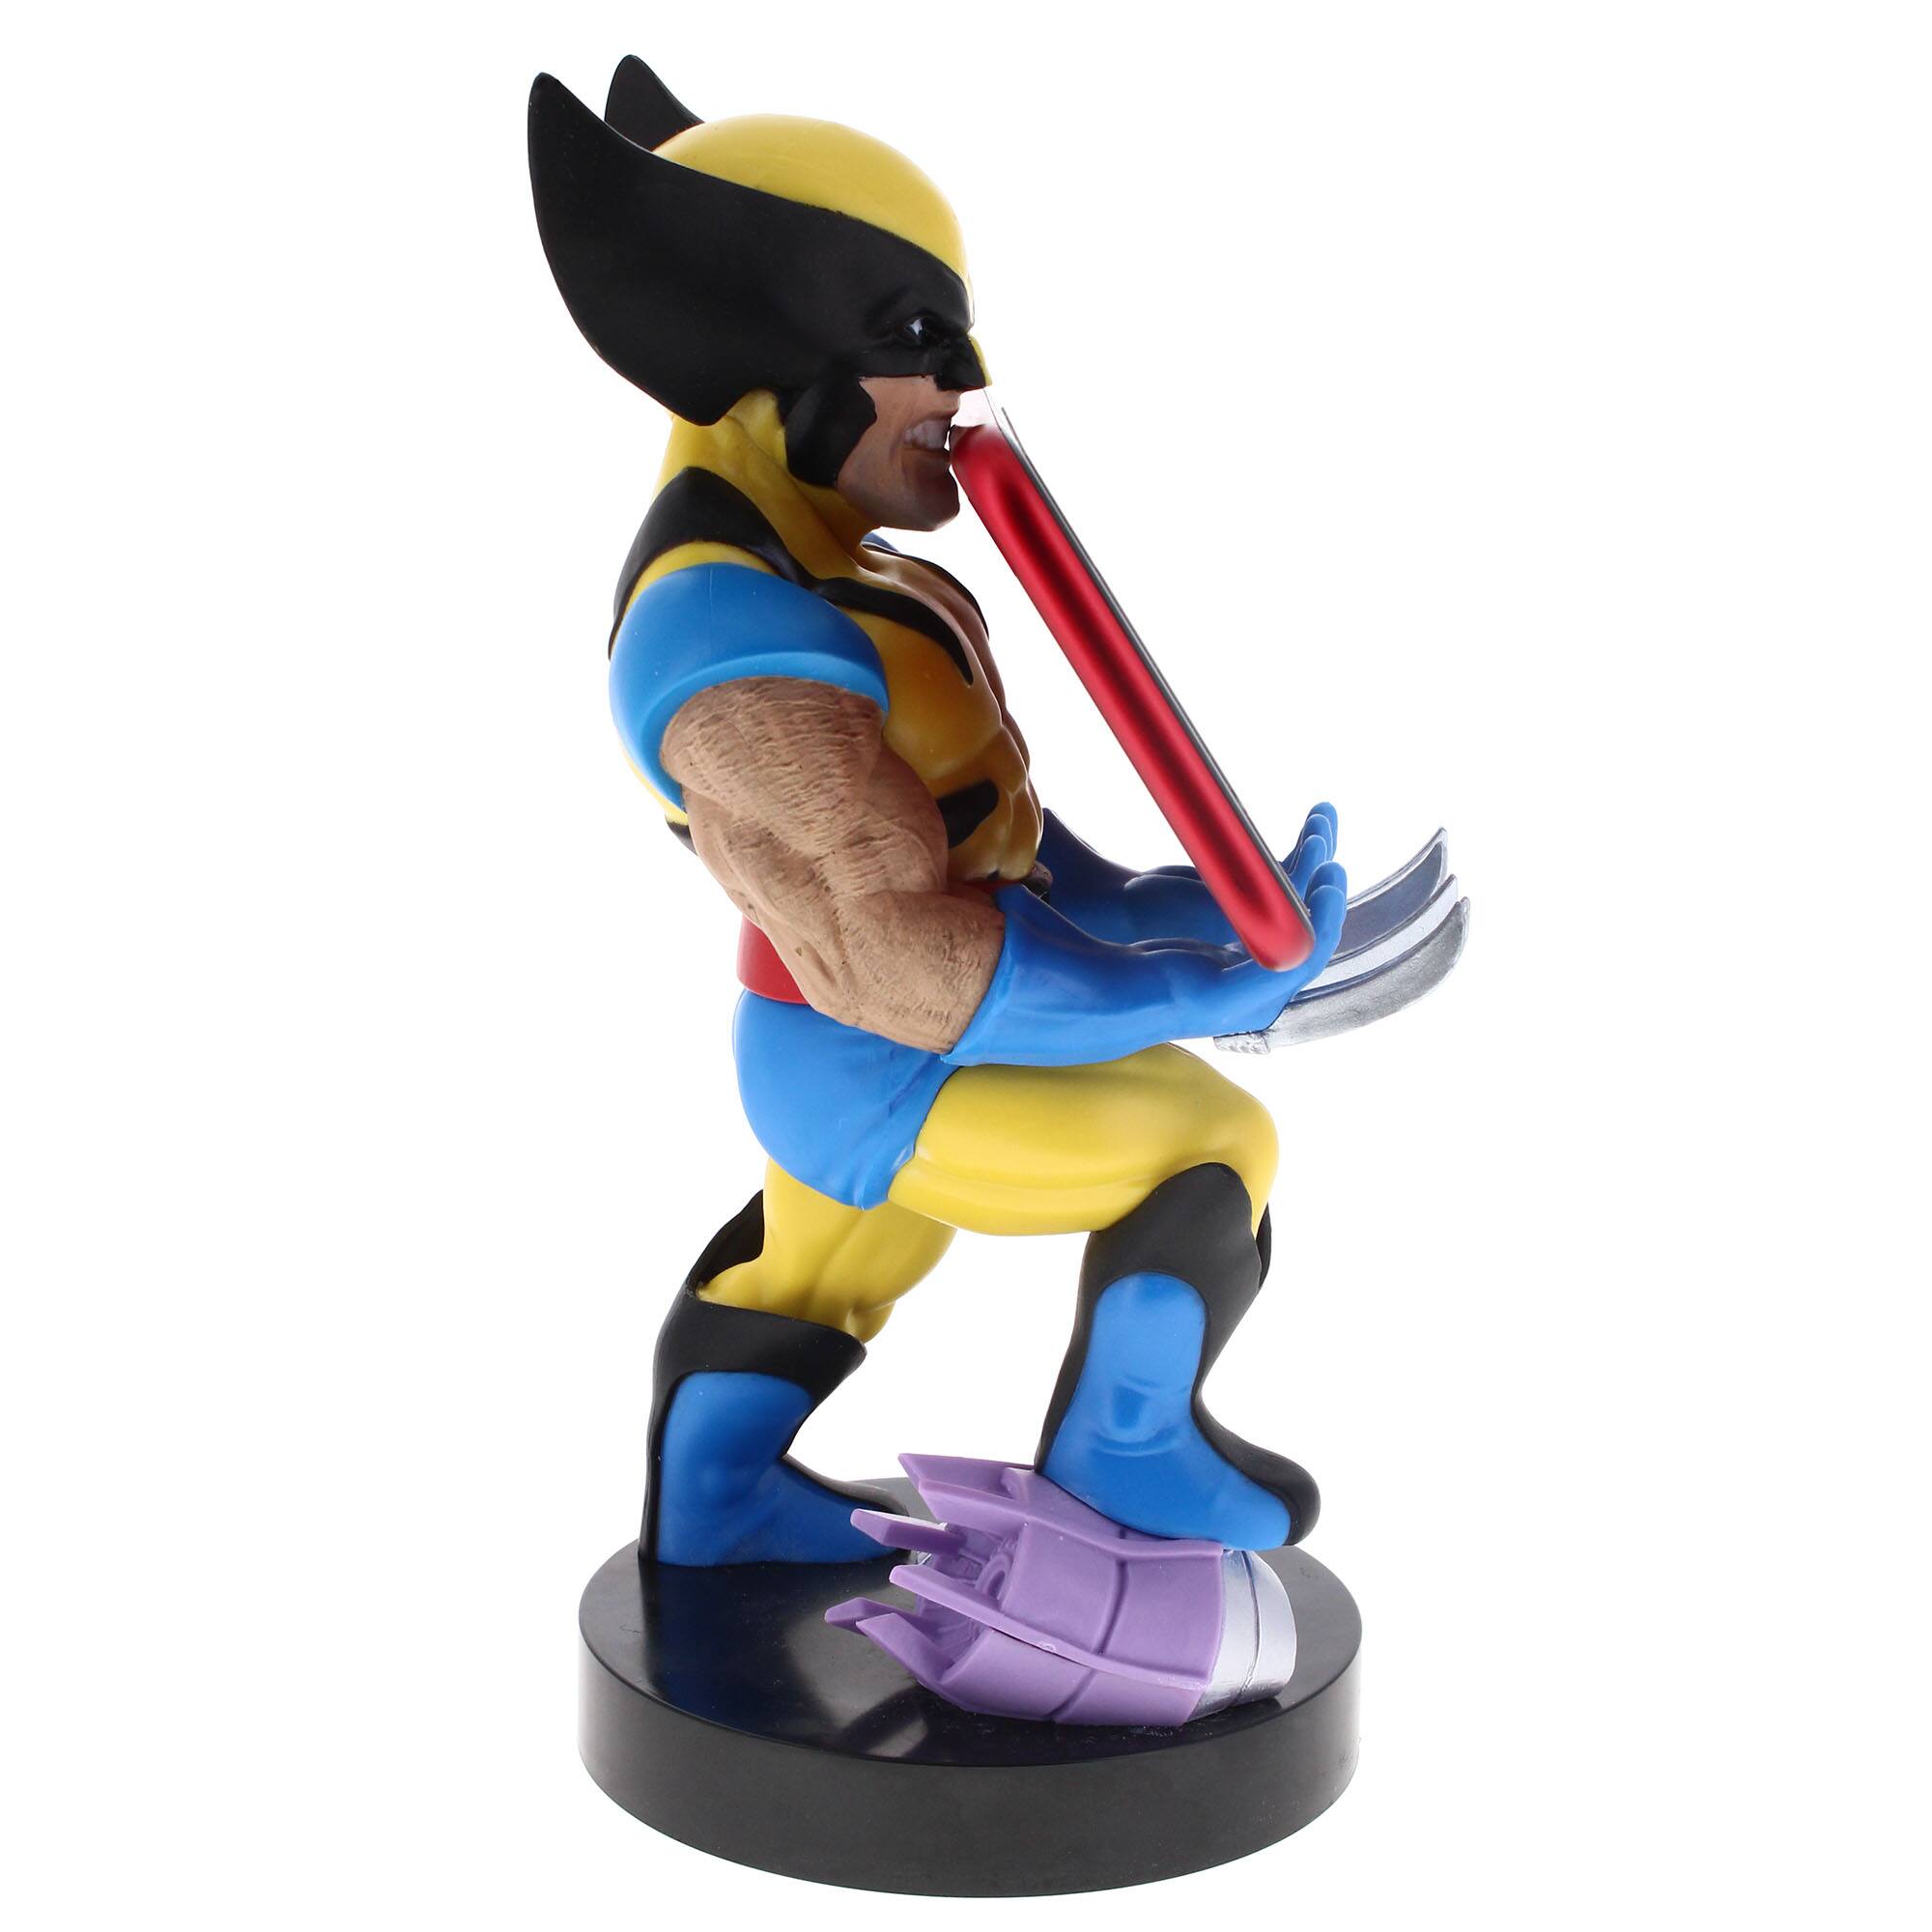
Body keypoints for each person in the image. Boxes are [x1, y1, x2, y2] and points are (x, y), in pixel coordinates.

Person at [530, 62, 1348, 1564]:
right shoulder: (731, 639)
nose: (964, 381)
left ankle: (711, 1517)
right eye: (913, 339)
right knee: (1208, 1143)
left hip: (865, 1028)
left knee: (814, 1274)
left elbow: (997, 835)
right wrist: (1187, 992)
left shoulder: (863, 572)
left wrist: (1176, 905)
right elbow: (898, 956)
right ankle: (1126, 1458)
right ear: (761, 358)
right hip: (869, 1050)